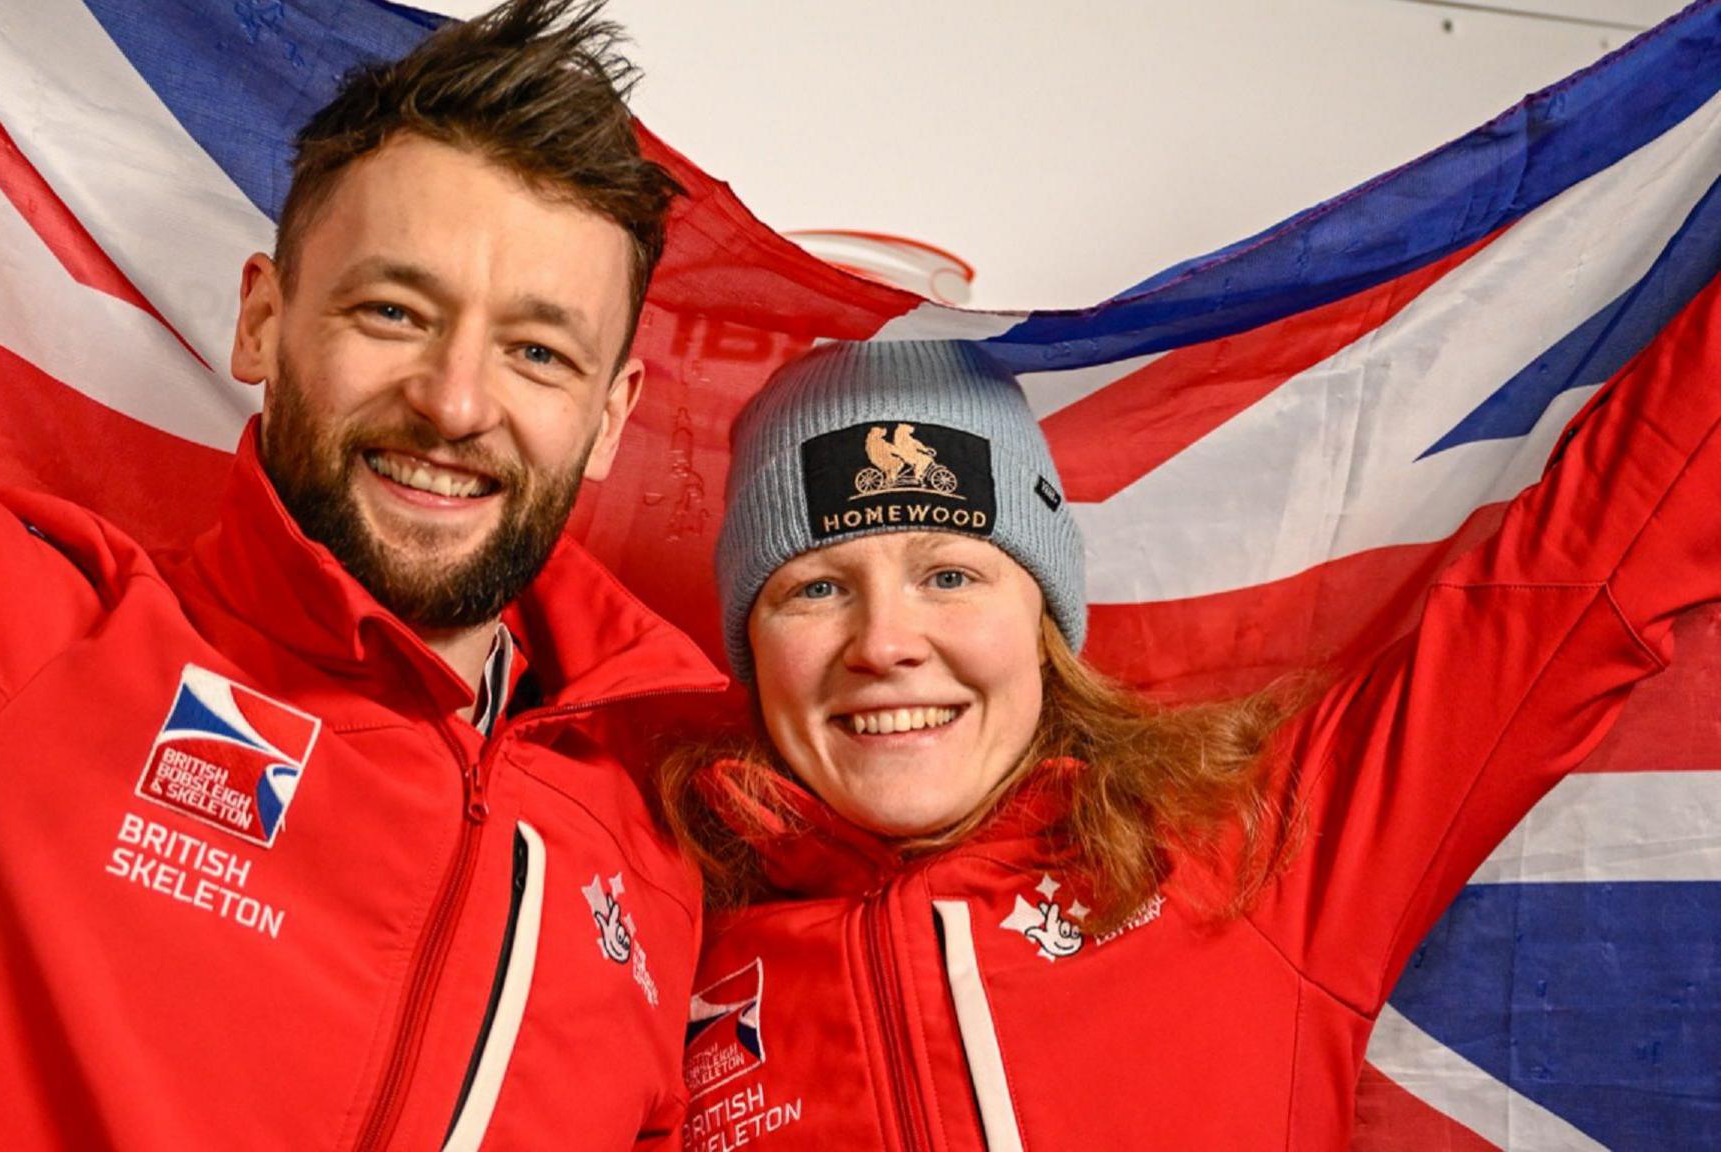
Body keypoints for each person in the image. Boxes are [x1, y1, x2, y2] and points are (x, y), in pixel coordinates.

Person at [0, 1, 726, 1147]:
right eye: (393, 311)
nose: (455, 402)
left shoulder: (653, 865)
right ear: (263, 321)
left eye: (536, 351)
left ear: (609, 418)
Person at [663, 338, 1720, 1149]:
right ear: (750, 650)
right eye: (814, 589)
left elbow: (1584, 580)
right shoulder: (657, 953)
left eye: (949, 574)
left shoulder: (1252, 853)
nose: (886, 643)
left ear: (1041, 622)